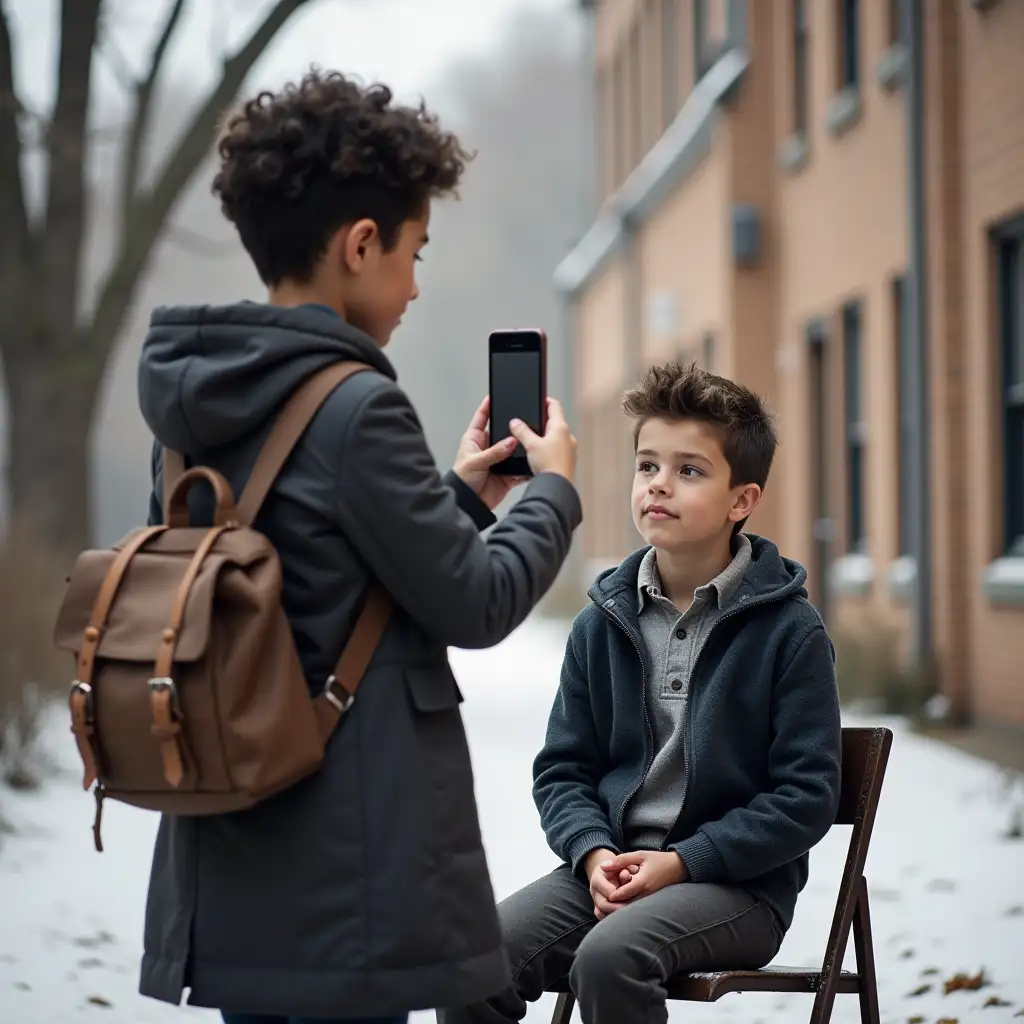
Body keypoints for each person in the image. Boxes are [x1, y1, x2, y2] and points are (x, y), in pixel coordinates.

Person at [135, 70, 581, 1024]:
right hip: (349, 867)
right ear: (360, 243)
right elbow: (476, 602)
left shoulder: (191, 409)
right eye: (413, 252)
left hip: (234, 848)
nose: (417, 284)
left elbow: (318, 580)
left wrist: (456, 496)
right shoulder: (351, 404)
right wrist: (553, 494)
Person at [439, 361, 842, 1024]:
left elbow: (804, 798)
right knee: (471, 960)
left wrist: (683, 862)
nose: (659, 484)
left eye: (689, 470)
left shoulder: (788, 631)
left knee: (608, 957)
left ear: (742, 500)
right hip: (612, 872)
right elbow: (564, 771)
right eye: (648, 465)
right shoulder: (602, 623)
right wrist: (593, 852)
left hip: (734, 886)